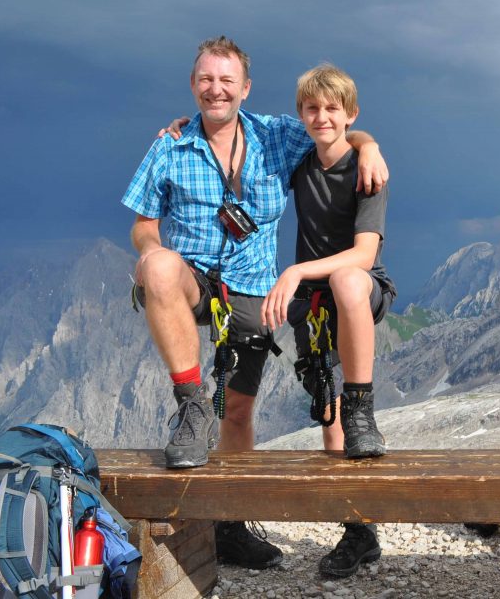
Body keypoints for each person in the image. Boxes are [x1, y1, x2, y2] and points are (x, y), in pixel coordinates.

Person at [122, 36, 388, 569]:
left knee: (241, 410)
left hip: (252, 292)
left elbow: (332, 129)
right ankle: (192, 406)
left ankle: (231, 527)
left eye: (226, 81)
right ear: (193, 85)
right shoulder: (169, 146)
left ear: (245, 89)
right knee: (157, 266)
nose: (215, 89)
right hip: (191, 281)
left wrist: (370, 144)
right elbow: (143, 227)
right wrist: (156, 258)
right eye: (205, 80)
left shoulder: (276, 135)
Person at [260, 63, 395, 578]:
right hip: (312, 307)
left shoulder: (369, 173)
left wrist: (294, 270)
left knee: (344, 281)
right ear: (302, 115)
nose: (321, 117)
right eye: (312, 109)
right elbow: (237, 127)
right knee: (329, 419)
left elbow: (362, 255)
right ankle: (359, 533)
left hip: (360, 289)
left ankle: (365, 404)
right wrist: (182, 125)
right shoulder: (301, 160)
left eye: (331, 109)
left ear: (349, 113)